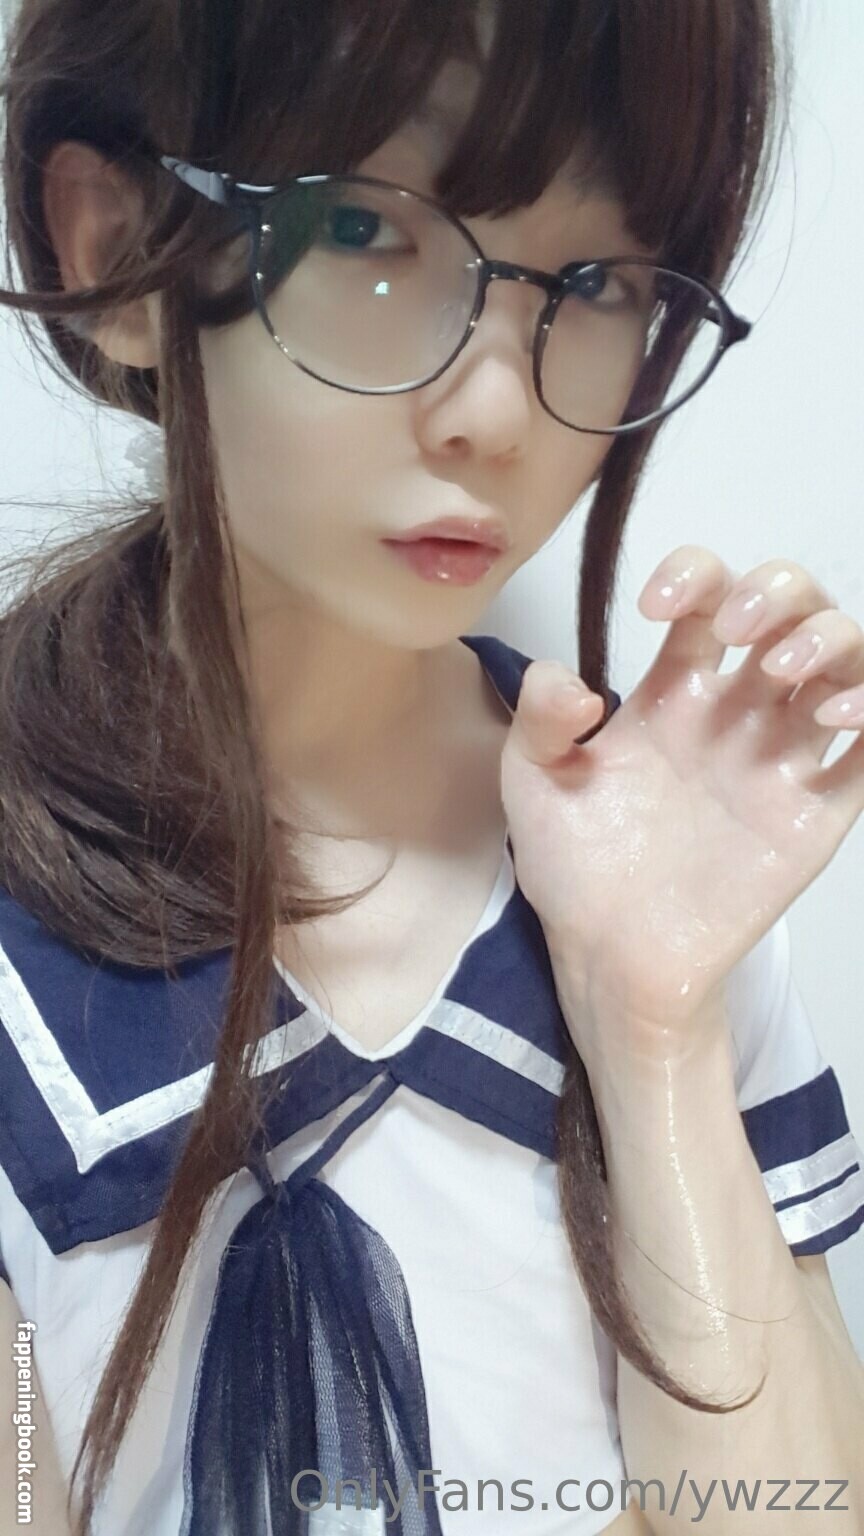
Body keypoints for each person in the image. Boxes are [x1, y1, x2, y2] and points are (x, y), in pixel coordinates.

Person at [0, 0, 862, 1532]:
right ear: (114, 245)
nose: (498, 409)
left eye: (595, 284)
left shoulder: (647, 845)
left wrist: (652, 1022)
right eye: (365, 230)